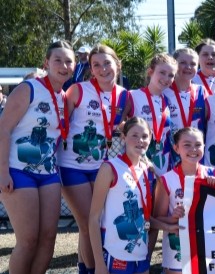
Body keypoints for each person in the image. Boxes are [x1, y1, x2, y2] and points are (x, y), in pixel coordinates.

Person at [0, 40, 74, 274]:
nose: (64, 65)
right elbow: (3, 129)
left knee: (48, 238)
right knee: (28, 240)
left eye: (69, 61)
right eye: (58, 60)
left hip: (49, 173)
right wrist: (2, 172)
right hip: (18, 171)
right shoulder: (29, 88)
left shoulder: (65, 98)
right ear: (46, 63)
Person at [59, 44, 128, 274]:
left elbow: (123, 126)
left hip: (101, 167)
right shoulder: (78, 90)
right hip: (71, 166)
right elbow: (59, 125)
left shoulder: (124, 95)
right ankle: (93, 269)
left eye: (107, 63)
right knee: (90, 224)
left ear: (117, 64)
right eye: (96, 65)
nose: (102, 69)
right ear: (90, 69)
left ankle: (83, 267)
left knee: (88, 225)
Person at [88, 117, 155, 274]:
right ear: (123, 137)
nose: (140, 140)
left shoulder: (148, 171)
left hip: (141, 253)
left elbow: (146, 214)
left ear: (150, 138)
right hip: (115, 254)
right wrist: (98, 263)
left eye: (145, 136)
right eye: (134, 135)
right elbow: (93, 218)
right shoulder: (110, 168)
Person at [154, 127, 215, 273]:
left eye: (198, 144)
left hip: (205, 246)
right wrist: (173, 219)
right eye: (187, 145)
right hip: (176, 249)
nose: (193, 149)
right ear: (176, 148)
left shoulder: (212, 174)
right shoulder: (166, 179)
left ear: (204, 146)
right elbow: (156, 220)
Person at [123, 53, 177, 176]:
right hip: (139, 160)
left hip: (163, 162)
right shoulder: (133, 95)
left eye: (171, 75)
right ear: (150, 72)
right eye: (162, 72)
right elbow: (119, 124)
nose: (166, 78)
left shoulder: (168, 101)